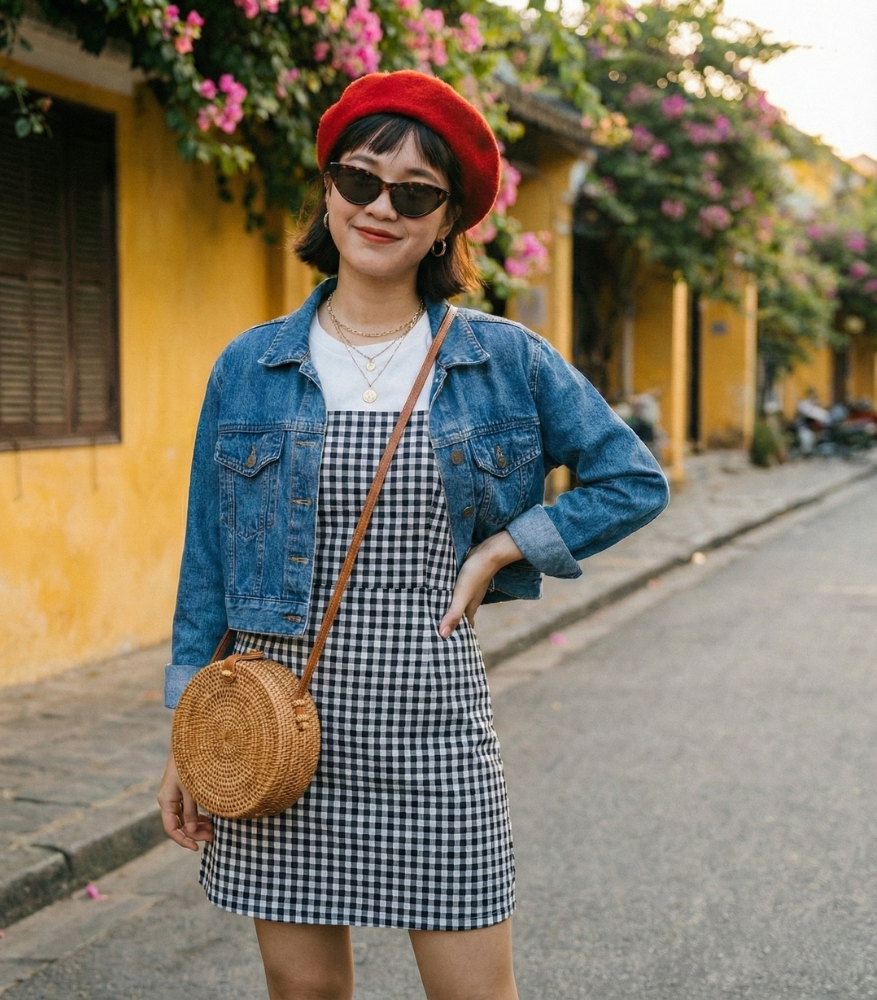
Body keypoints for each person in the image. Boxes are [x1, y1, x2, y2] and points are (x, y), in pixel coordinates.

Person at [158, 70, 669, 1000]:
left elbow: (632, 480)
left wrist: (503, 547)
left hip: (431, 720)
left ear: (447, 223)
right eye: (361, 180)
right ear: (328, 189)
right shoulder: (251, 366)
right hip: (280, 722)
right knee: (305, 993)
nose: (381, 207)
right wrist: (189, 738)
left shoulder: (502, 361)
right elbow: (208, 565)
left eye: (415, 194)